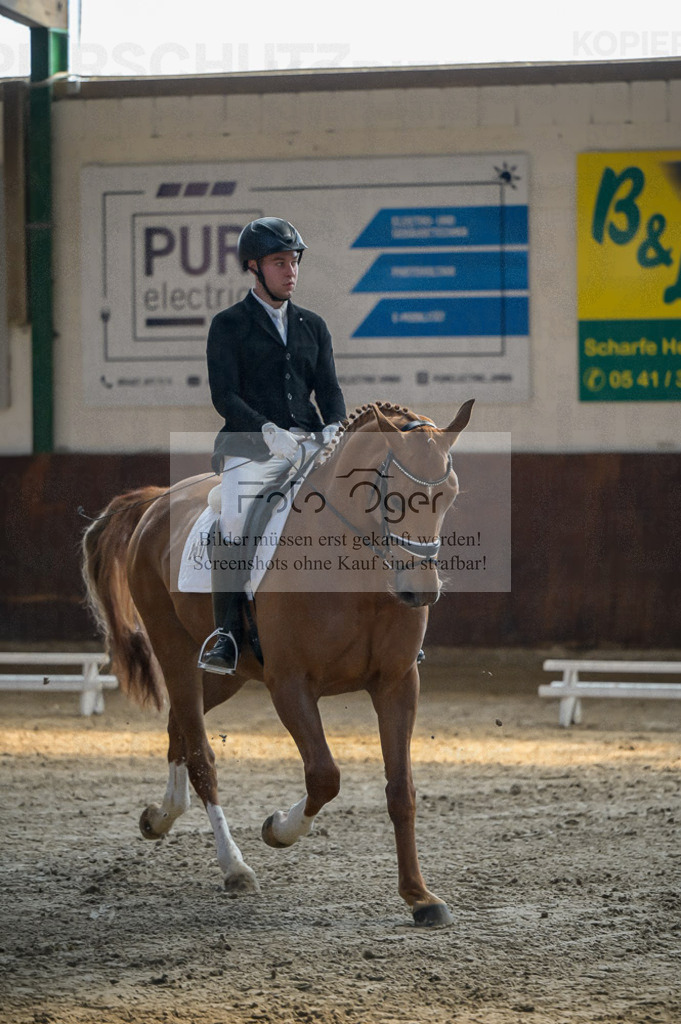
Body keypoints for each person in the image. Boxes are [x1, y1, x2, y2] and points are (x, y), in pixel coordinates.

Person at [199, 217, 347, 674]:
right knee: (234, 519)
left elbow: (329, 389)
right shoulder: (228, 325)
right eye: (279, 262)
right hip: (250, 446)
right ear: (254, 267)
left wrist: (335, 427)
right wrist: (267, 430)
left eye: (294, 261)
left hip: (308, 444)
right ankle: (226, 633)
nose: (291, 271)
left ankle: (382, 620)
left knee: (362, 502)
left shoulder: (313, 325)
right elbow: (225, 396)